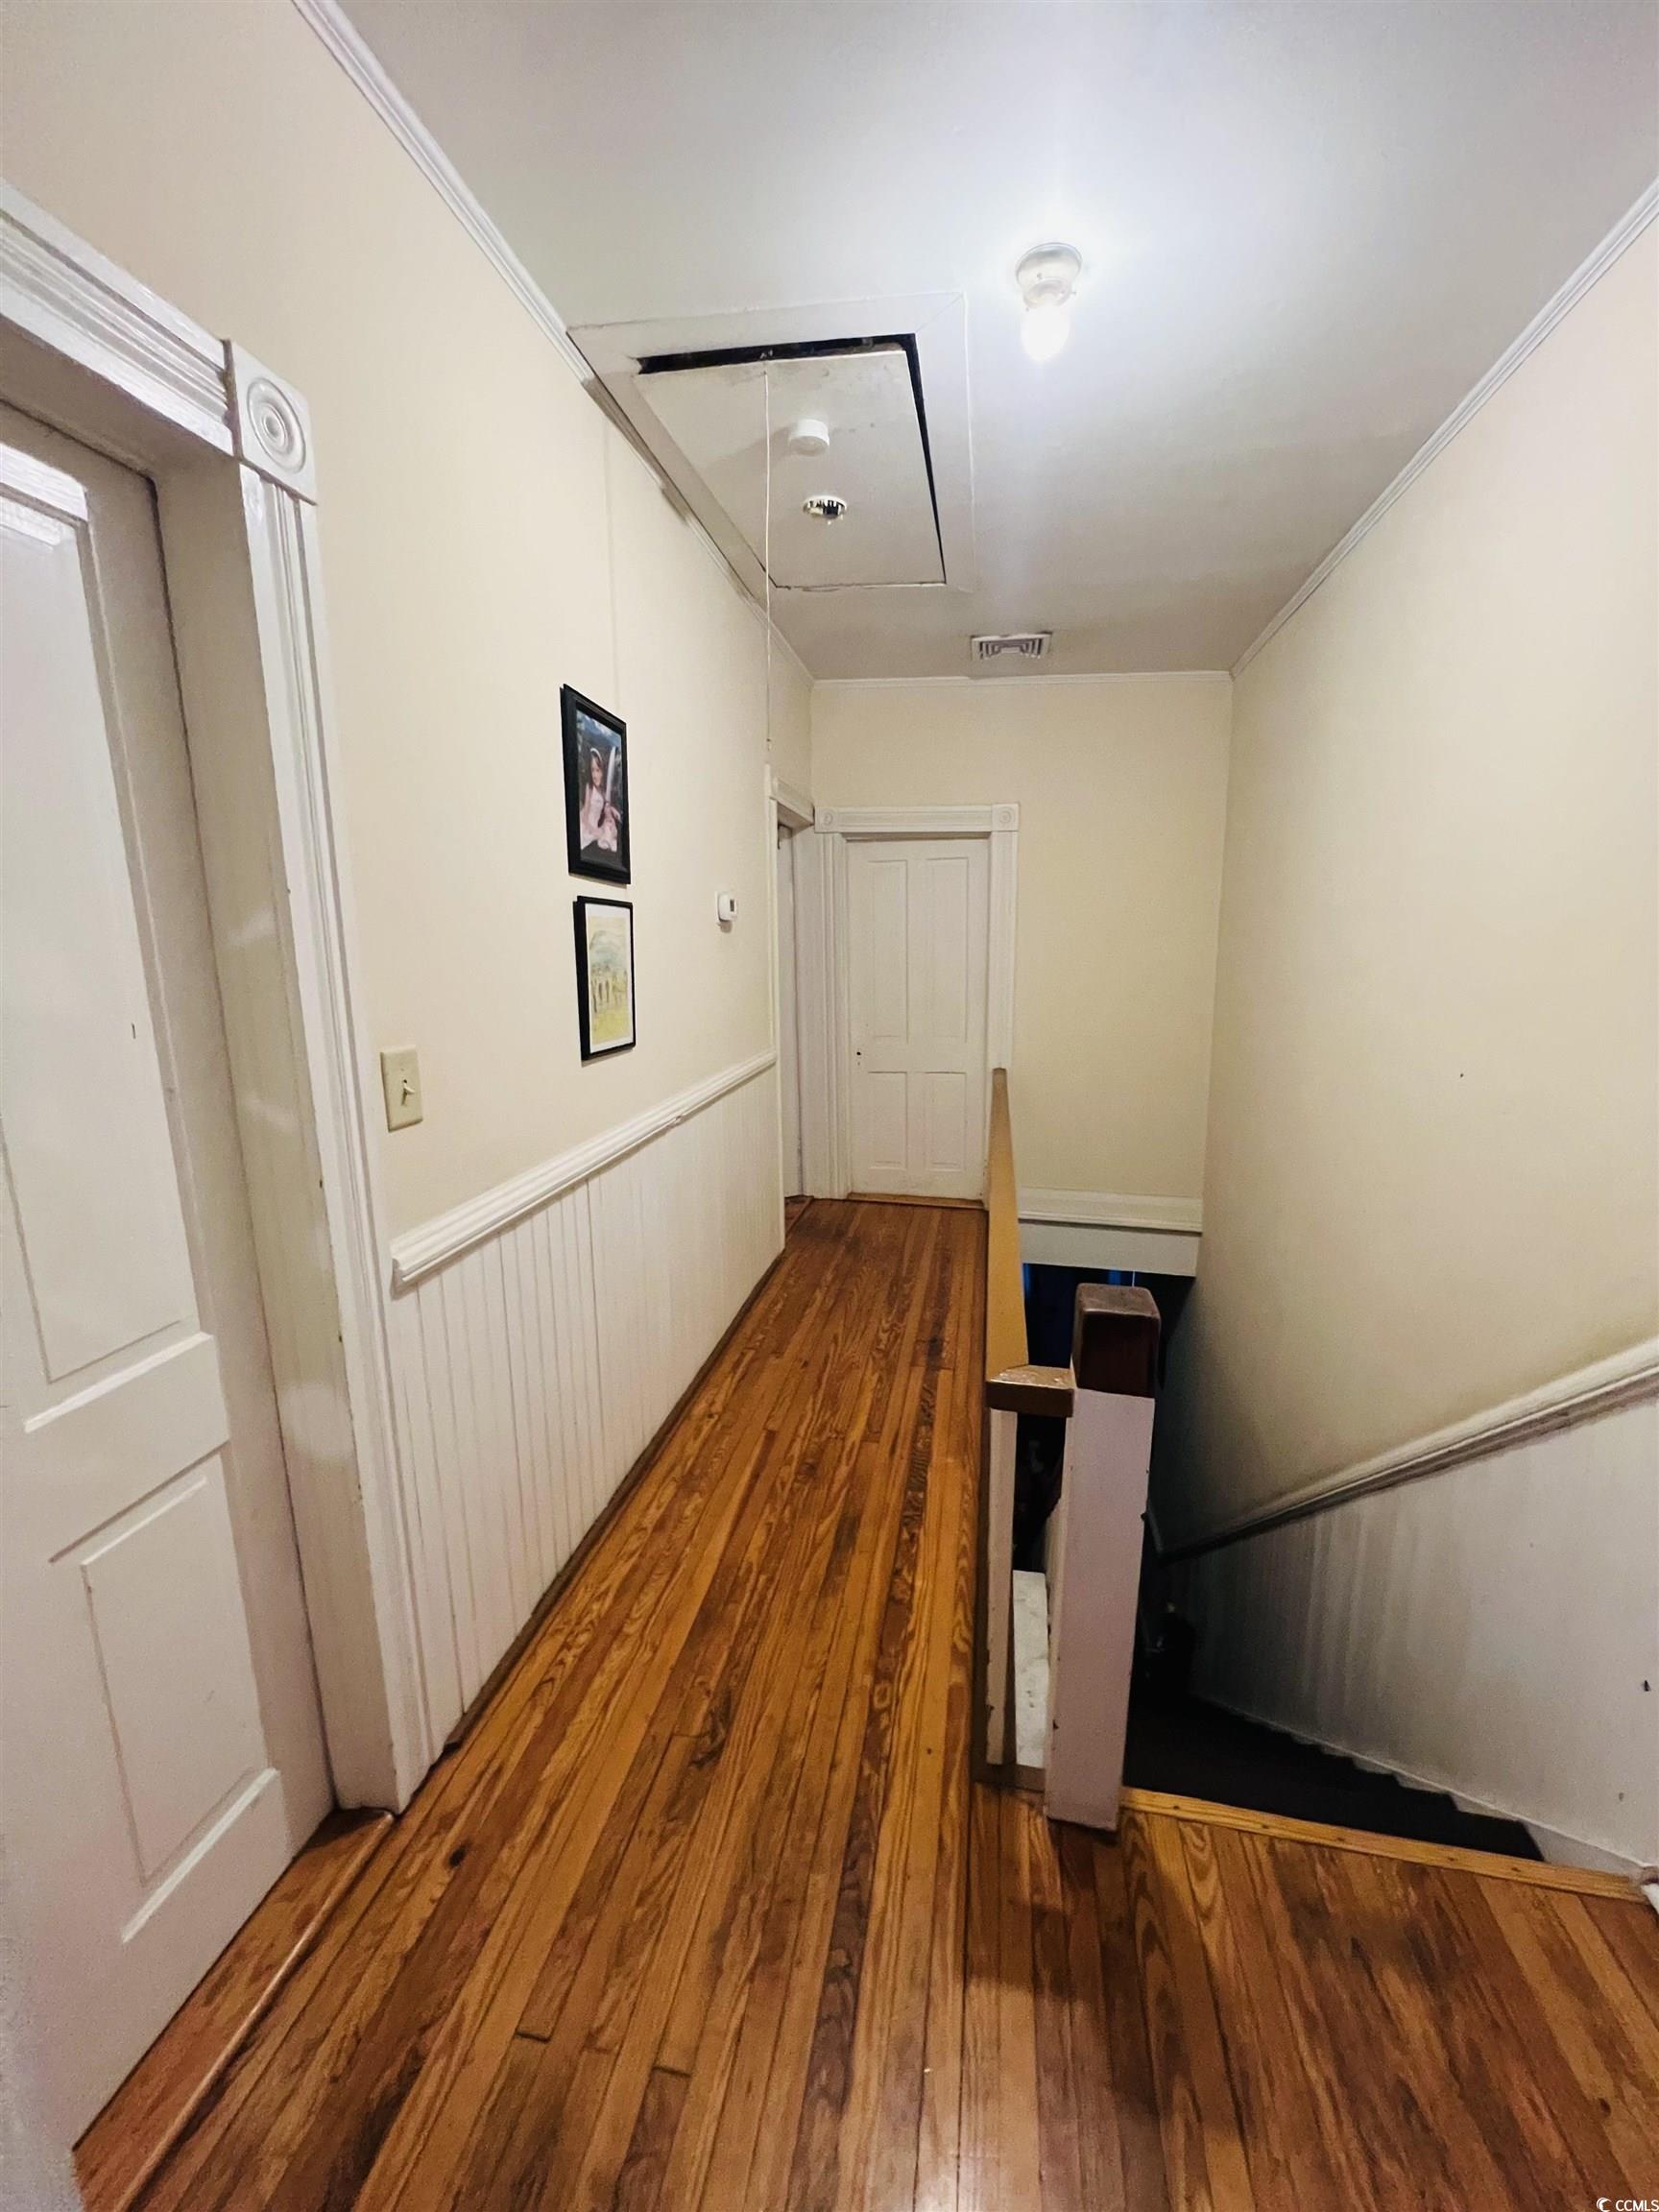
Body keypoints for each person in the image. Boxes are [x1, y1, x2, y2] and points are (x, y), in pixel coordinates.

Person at [578, 742, 620, 854]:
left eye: (598, 770)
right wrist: (593, 830)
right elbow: (585, 816)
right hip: (586, 826)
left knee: (609, 828)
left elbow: (606, 805)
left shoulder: (602, 791)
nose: (595, 775)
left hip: (594, 825)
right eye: (592, 770)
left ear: (602, 772)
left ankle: (609, 841)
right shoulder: (590, 788)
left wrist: (612, 810)